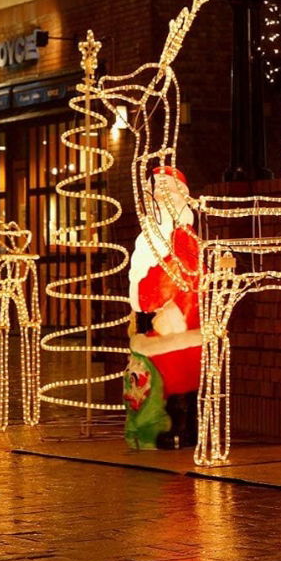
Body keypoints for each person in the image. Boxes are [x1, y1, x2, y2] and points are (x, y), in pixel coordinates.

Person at [123, 167, 201, 450]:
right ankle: (149, 427)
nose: (158, 196)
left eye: (165, 190)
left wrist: (173, 311)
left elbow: (189, 276)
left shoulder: (182, 235)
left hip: (173, 320)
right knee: (148, 376)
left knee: (176, 376)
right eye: (155, 190)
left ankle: (180, 429)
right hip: (148, 319)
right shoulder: (149, 236)